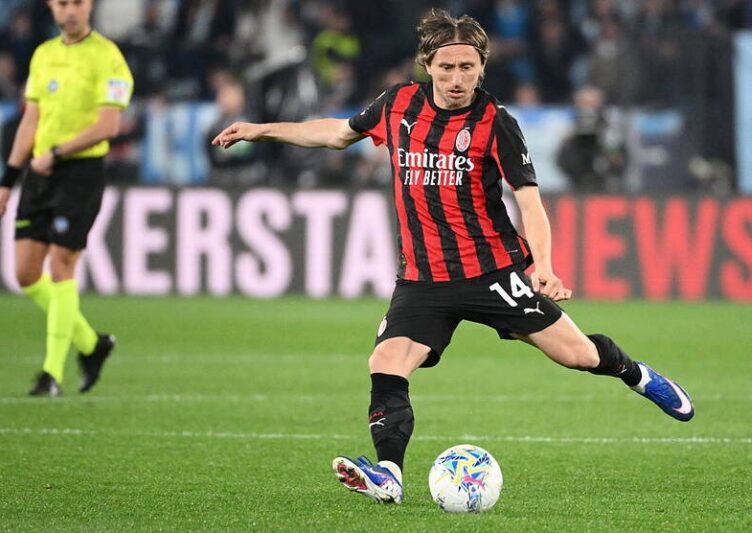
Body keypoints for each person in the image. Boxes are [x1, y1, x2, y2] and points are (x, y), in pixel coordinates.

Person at [212, 8, 694, 505]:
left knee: (578, 355)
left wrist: (544, 266)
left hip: (491, 273)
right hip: (423, 279)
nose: (457, 78)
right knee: (386, 362)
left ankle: (639, 376)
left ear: (482, 66)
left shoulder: (496, 122)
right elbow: (337, 134)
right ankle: (388, 474)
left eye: (468, 67)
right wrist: (260, 130)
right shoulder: (397, 104)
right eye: (447, 67)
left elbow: (530, 202)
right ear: (427, 65)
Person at [0, 0, 133, 397]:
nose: (69, 10)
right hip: (40, 173)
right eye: (62, 3)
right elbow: (30, 120)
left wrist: (57, 152)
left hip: (81, 172)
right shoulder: (43, 54)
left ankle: (51, 374)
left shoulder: (108, 57)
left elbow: (109, 125)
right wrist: (8, 180)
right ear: (51, 7)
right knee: (25, 273)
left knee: (62, 263)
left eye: (77, 2)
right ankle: (91, 344)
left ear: (89, 6)